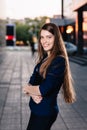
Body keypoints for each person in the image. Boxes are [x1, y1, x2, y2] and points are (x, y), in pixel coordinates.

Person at [23, 23, 76, 130]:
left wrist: (26, 88)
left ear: (56, 38)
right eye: (42, 37)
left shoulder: (59, 61)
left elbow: (43, 89)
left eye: (49, 37)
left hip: (45, 113)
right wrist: (33, 93)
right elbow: (32, 81)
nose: (44, 41)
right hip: (37, 110)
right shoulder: (43, 59)